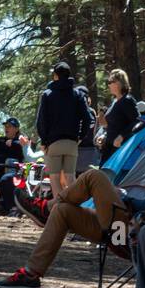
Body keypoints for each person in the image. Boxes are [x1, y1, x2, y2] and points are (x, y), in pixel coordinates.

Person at [0, 124, 145, 288]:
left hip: (131, 236)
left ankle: (45, 208)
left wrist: (128, 201)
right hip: (123, 231)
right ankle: (31, 274)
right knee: (63, 211)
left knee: (94, 176)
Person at [34, 61, 93, 204]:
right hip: (72, 143)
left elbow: (41, 121)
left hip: (53, 143)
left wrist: (44, 141)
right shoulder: (77, 94)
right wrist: (80, 136)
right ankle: (74, 209)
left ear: (55, 76)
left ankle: (60, 210)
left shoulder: (47, 94)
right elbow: (87, 118)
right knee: (70, 177)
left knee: (54, 178)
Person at [0, 117, 29, 216]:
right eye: (5, 126)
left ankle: (8, 207)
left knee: (6, 175)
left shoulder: (20, 139)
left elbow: (26, 146)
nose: (6, 128)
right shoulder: (1, 140)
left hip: (16, 173)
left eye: (10, 126)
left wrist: (13, 143)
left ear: (16, 129)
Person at [100, 69, 140, 164]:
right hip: (109, 147)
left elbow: (137, 121)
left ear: (119, 83)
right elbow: (113, 125)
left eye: (110, 82)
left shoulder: (127, 100)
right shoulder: (114, 101)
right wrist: (104, 135)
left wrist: (121, 136)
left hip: (121, 148)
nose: (108, 85)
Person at [75, 87, 100, 174]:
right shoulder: (92, 112)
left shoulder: (74, 111)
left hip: (79, 149)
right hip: (90, 150)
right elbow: (95, 130)